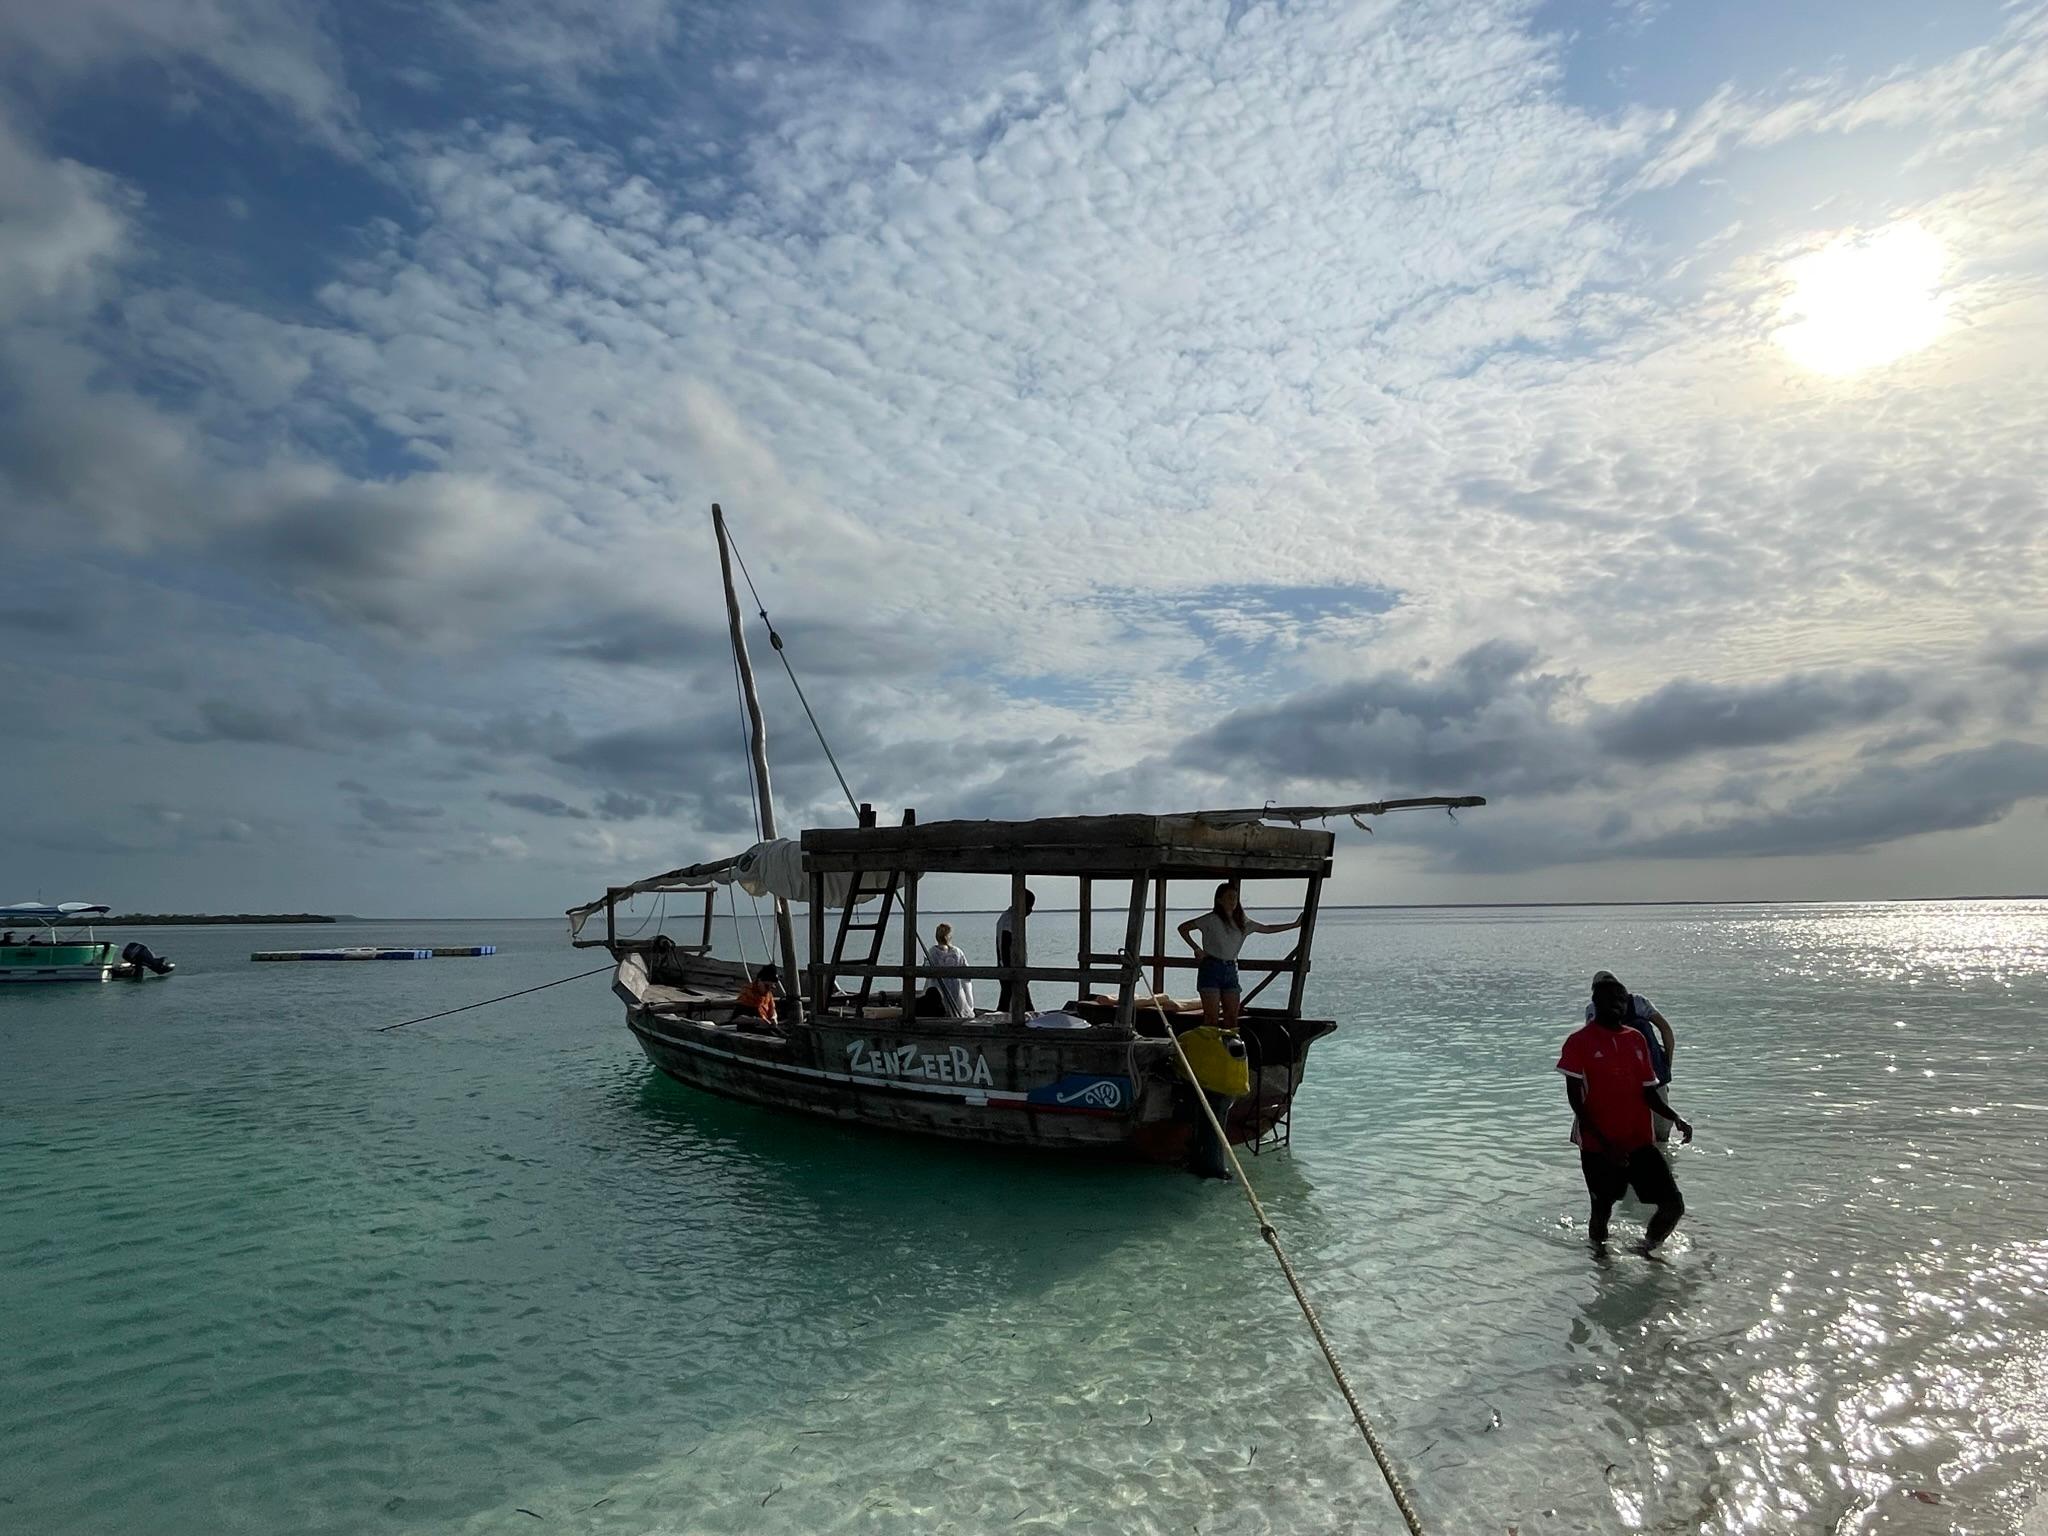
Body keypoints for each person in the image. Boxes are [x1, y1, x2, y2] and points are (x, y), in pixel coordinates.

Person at [1558, 974, 1694, 1253]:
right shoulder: (1578, 1042)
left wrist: (1675, 1117)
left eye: (1622, 1000)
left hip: (1639, 1142)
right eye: (1610, 1000)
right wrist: (1607, 1147)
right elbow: (1577, 1103)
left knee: (1673, 1205)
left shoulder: (1636, 1039)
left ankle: (1647, 1248)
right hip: (1598, 1147)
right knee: (1602, 1210)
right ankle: (1601, 1263)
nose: (1617, 1006)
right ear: (1595, 1004)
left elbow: (1648, 1093)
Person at [1176, 883, 1303, 1030]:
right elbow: (1183, 928)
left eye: (1235, 898)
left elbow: (1267, 928)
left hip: (1231, 969)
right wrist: (1196, 948)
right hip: (1211, 967)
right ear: (1219, 900)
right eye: (1229, 897)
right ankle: (1211, 1048)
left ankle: (1229, 1048)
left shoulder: (1243, 922)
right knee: (1211, 1018)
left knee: (1231, 1017)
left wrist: (1294, 925)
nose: (1233, 901)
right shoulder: (1210, 919)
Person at [1585, 970, 1678, 1142]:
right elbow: (1591, 1045)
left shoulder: (1638, 1002)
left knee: (1661, 1132)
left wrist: (1667, 1064)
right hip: (1622, 1081)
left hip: (1653, 1073)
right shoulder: (1593, 1010)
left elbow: (1665, 1030)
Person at [996, 889, 1036, 1015]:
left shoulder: (1007, 917)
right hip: (1011, 969)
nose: (1031, 910)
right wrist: (1010, 971)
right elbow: (1005, 945)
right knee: (1022, 1004)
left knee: (1007, 1001)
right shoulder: (1010, 920)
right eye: (1029, 906)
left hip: (1007, 968)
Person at [925, 922, 975, 1017]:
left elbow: (927, 971)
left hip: (938, 989)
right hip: (955, 989)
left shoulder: (932, 952)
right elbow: (967, 972)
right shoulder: (957, 952)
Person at [732, 964, 779, 1029]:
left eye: (771, 987)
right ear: (759, 981)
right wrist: (756, 1020)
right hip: (748, 1031)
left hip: (765, 1028)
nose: (768, 990)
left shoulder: (768, 996)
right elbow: (735, 1018)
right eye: (766, 986)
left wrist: (774, 1018)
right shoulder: (748, 994)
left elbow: (772, 1010)